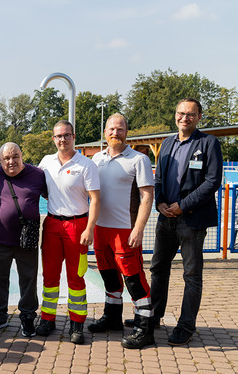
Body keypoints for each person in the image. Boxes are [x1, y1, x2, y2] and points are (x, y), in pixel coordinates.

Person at [150, 98, 222, 346]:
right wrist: (159, 203)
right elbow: (158, 178)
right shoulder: (167, 143)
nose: (185, 118)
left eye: (191, 114)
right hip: (165, 217)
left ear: (199, 117)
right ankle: (154, 316)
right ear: (175, 115)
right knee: (158, 269)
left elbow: (212, 182)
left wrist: (183, 205)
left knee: (191, 275)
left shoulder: (209, 143)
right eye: (181, 113)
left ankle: (185, 326)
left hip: (191, 220)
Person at [90, 114, 155, 349]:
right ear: (105, 132)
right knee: (108, 276)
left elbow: (147, 196)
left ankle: (144, 328)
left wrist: (138, 228)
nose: (115, 133)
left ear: (127, 131)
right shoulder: (97, 158)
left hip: (125, 230)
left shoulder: (138, 159)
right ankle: (112, 317)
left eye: (120, 129)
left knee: (133, 279)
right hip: (100, 229)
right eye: (111, 129)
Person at [37, 120, 100, 344]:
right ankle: (47, 318)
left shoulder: (86, 164)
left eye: (66, 135)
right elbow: (39, 189)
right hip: (53, 224)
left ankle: (77, 323)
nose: (62, 139)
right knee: (50, 276)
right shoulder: (46, 162)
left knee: (77, 277)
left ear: (74, 136)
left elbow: (95, 199)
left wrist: (90, 228)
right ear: (53, 139)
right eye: (58, 136)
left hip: (77, 226)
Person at [0, 142, 47, 337]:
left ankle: (27, 315)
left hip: (27, 239)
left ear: (22, 155)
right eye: (6, 158)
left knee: (28, 279)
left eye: (15, 157)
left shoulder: (37, 175)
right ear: (0, 160)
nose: (11, 161)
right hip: (0, 238)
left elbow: (56, 196)